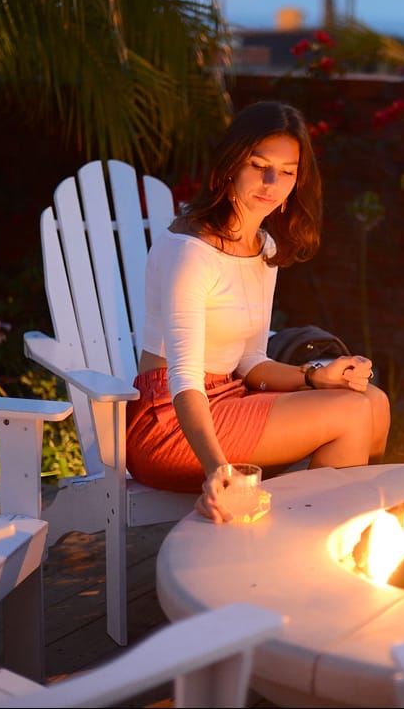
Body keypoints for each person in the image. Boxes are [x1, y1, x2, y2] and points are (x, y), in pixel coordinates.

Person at [126, 101, 390, 522]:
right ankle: (312, 539)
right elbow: (184, 381)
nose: (272, 182)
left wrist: (313, 377)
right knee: (352, 412)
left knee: (373, 402)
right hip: (170, 424)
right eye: (259, 164)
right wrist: (219, 470)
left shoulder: (262, 246)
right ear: (232, 164)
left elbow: (250, 361)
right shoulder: (191, 253)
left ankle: (311, 527)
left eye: (287, 171)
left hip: (231, 396)